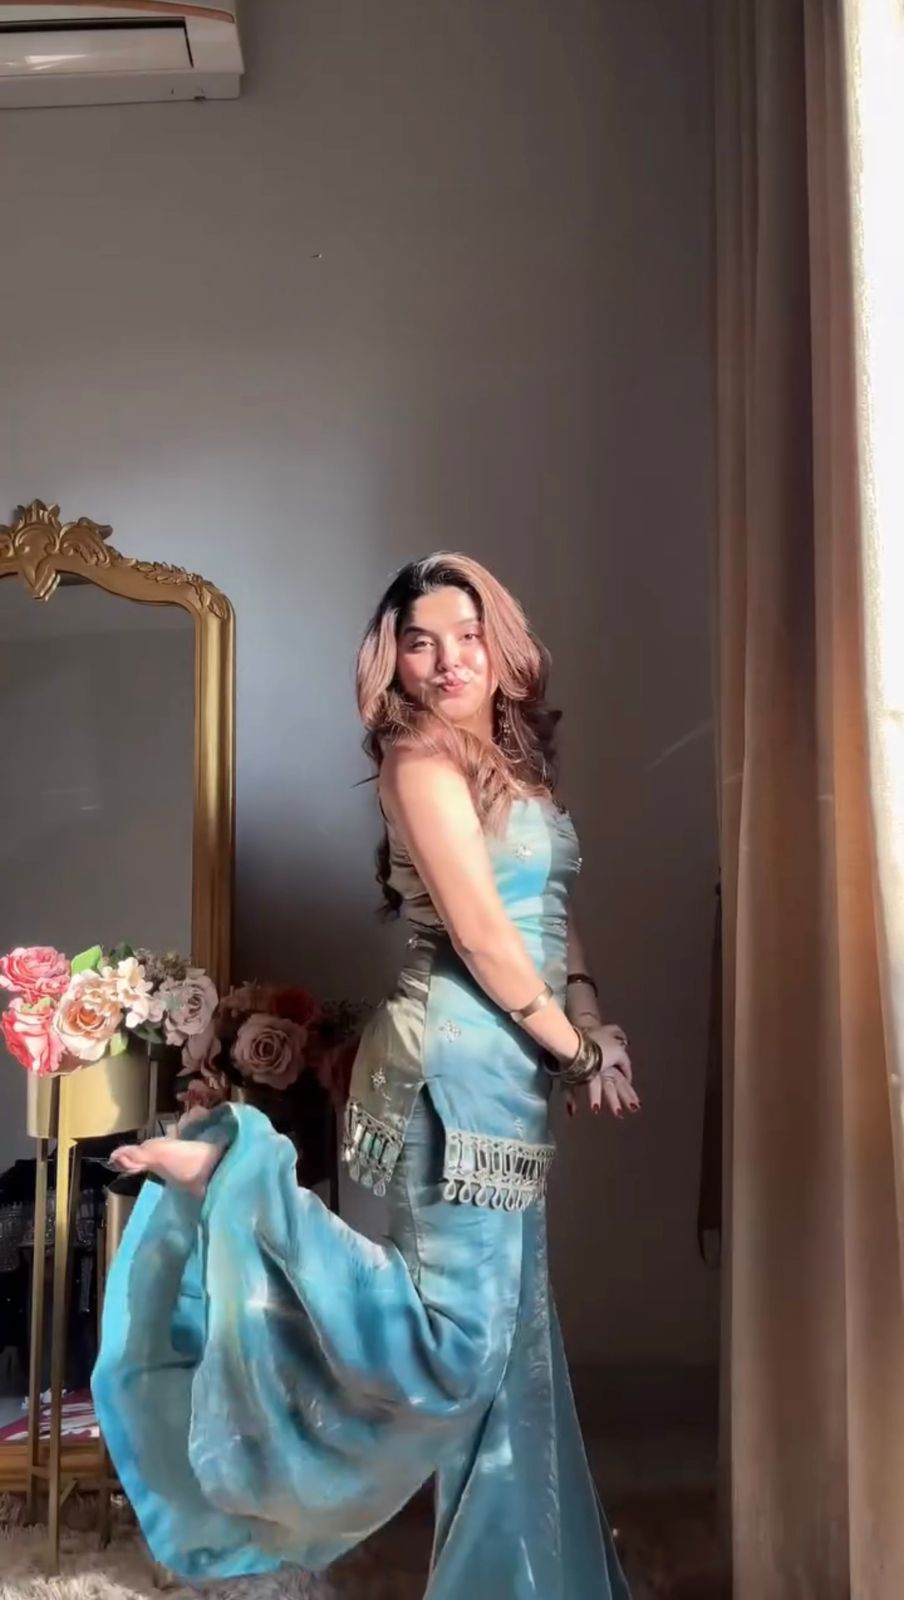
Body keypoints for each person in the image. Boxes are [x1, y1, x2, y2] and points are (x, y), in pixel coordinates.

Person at [92, 554, 639, 1598]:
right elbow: (483, 938)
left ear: (500, 646)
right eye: (421, 642)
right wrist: (576, 1054)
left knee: (517, 1350)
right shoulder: (416, 760)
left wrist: (591, 1018)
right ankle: (240, 1180)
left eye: (466, 637)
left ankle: (532, 1580)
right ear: (393, 660)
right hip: (453, 1068)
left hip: (516, 1071)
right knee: (457, 1347)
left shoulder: (511, 761)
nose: (448, 661)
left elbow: (547, 917)